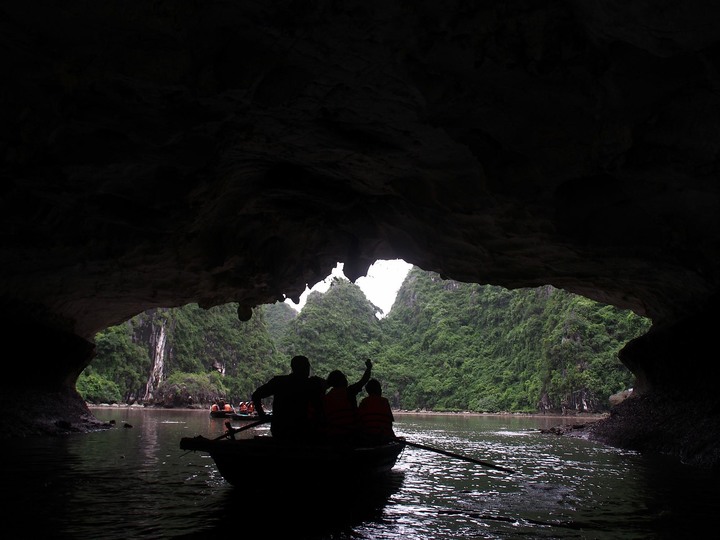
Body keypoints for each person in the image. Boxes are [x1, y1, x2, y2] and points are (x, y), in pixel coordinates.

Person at [251, 354, 314, 440]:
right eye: (307, 367)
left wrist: (262, 415)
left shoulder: (279, 382)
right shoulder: (312, 385)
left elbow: (256, 395)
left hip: (280, 430)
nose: (308, 370)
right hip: (303, 431)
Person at [323, 359, 372, 443]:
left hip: (333, 435)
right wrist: (369, 368)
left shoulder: (327, 397)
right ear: (342, 380)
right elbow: (363, 380)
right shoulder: (350, 391)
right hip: (352, 433)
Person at [358, 378, 396, 443]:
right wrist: (393, 437)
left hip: (367, 437)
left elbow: (359, 422)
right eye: (380, 388)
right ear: (378, 390)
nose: (381, 390)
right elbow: (389, 424)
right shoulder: (384, 402)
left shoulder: (364, 402)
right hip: (383, 437)